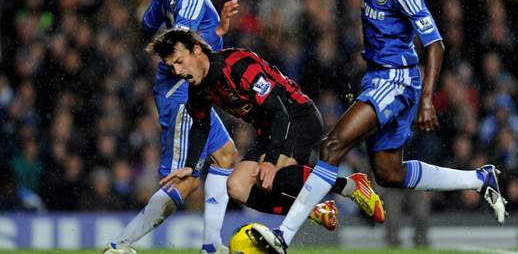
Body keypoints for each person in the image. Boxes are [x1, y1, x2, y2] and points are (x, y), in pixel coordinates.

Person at [257, 0, 507, 254]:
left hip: (396, 79)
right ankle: (480, 179)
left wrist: (429, 99)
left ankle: (283, 237)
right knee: (389, 174)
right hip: (377, 76)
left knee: (331, 146)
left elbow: (435, 44)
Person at [147, 28, 385, 233]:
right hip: (270, 129)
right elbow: (200, 125)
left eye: (179, 62)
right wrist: (191, 166)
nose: (177, 72)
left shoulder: (238, 64)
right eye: (171, 67)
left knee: (270, 176)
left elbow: (279, 112)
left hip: (297, 116)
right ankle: (312, 209)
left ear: (196, 49)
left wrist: (270, 160)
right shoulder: (198, 89)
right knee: (237, 187)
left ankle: (350, 185)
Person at [105, 0, 239, 254]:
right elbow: (181, 43)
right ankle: (119, 246)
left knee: (226, 154)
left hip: (187, 90)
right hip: (182, 90)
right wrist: (217, 35)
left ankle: (211, 244)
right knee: (186, 179)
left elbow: (148, 27)